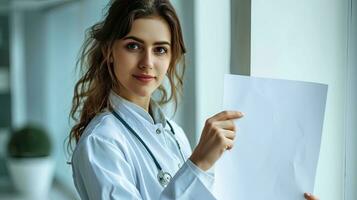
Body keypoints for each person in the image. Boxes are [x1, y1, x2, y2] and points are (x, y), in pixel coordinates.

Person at [68, 0, 320, 199]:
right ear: (109, 51)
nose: (147, 63)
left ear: (171, 57)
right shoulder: (101, 141)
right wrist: (198, 163)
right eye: (133, 46)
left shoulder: (173, 133)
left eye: (160, 49)